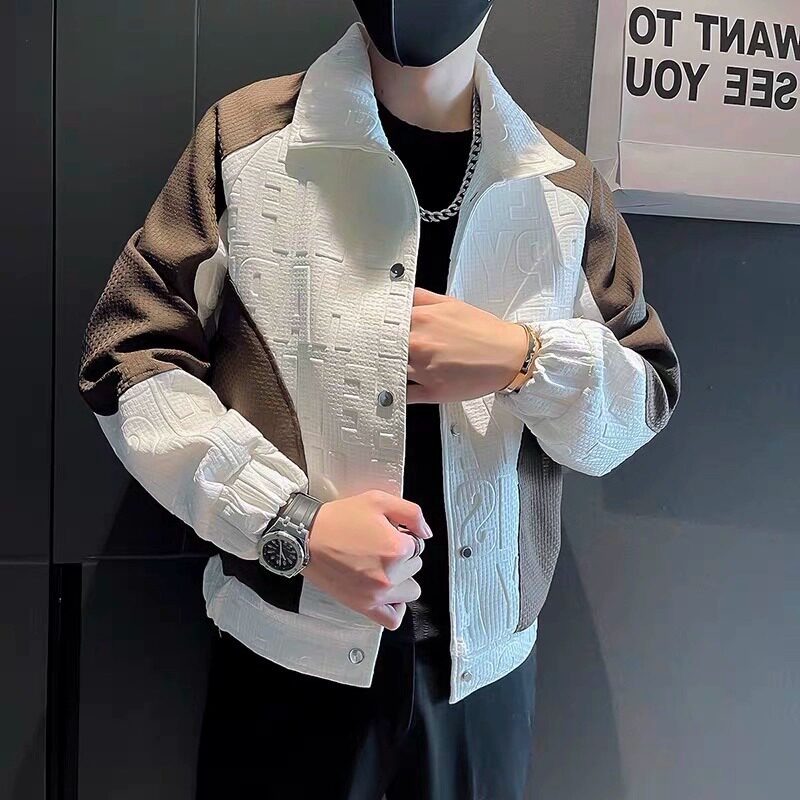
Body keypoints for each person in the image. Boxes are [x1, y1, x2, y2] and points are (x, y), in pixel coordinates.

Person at [76, 3, 681, 798]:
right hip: (286, 664)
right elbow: (126, 357)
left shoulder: (562, 188)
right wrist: (290, 523)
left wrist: (521, 358)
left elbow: (642, 401)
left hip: (482, 684)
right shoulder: (246, 140)